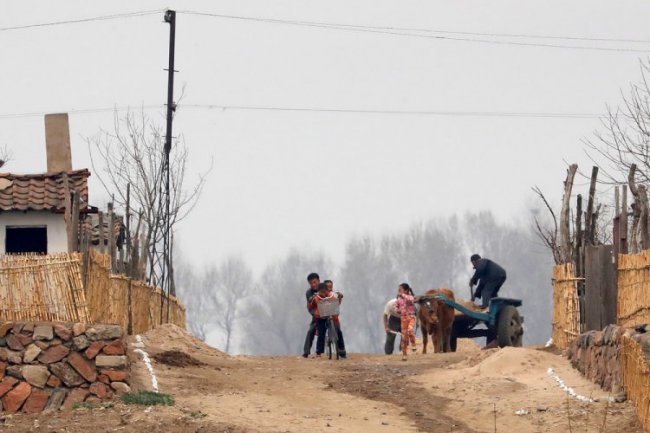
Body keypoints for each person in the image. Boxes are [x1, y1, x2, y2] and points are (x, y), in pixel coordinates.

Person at [309, 282, 347, 358]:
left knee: (338, 332)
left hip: (332, 316)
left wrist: (339, 297)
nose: (323, 294)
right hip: (321, 317)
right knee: (321, 334)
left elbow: (337, 303)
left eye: (324, 292)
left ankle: (342, 351)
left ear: (327, 290)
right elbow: (312, 304)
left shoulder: (331, 295)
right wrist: (311, 299)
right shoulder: (316, 297)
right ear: (318, 291)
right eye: (321, 292)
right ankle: (319, 352)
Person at [395, 283, 417, 361]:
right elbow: (396, 307)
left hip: (411, 317)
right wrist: (398, 310)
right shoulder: (398, 299)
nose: (399, 291)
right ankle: (404, 354)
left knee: (410, 330)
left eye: (400, 289)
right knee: (404, 338)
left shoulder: (410, 297)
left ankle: (413, 343)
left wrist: (403, 295)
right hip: (403, 319)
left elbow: (412, 300)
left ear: (406, 290)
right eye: (399, 290)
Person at [302, 272, 320, 358]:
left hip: (328, 311)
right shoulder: (309, 293)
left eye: (315, 282)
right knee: (311, 330)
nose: (313, 285)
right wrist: (315, 313)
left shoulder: (325, 287)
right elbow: (310, 305)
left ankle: (341, 350)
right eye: (311, 283)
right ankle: (306, 352)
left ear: (319, 281)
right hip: (316, 313)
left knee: (337, 328)